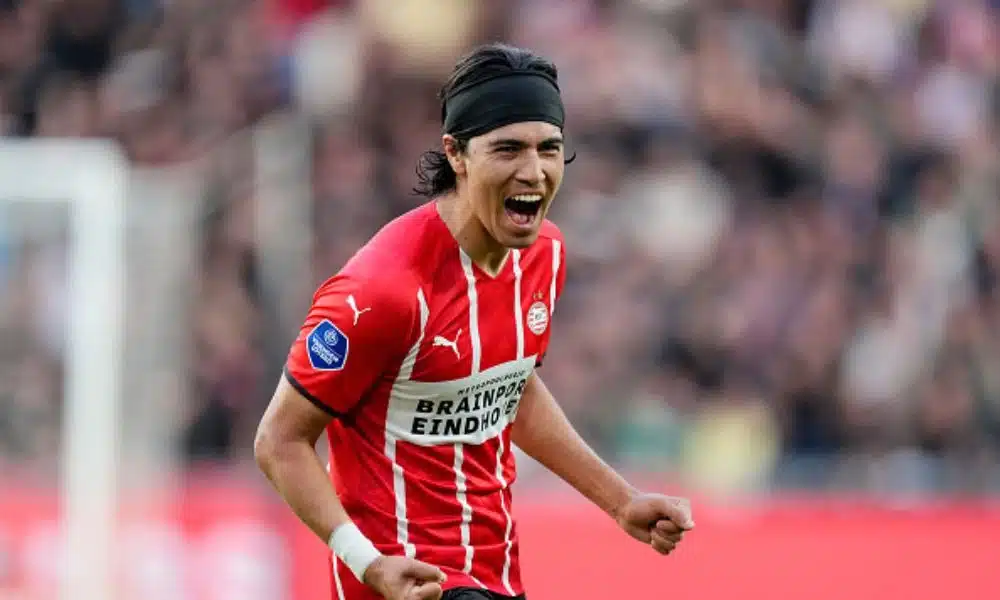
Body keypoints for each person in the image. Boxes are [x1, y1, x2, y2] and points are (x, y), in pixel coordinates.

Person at [253, 42, 694, 600]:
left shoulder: (545, 255)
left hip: (494, 575)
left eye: (549, 149)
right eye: (507, 149)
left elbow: (507, 389)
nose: (533, 171)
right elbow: (279, 440)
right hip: (409, 583)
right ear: (456, 155)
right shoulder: (383, 292)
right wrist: (369, 563)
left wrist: (619, 499)